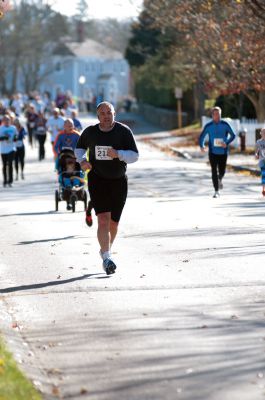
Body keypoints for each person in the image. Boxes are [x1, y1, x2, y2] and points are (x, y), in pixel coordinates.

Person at [75, 101, 139, 275]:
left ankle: (106, 250)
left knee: (114, 223)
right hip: (97, 180)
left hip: (118, 181)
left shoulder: (124, 131)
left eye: (109, 112)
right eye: (102, 113)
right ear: (98, 116)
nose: (106, 116)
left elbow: (135, 155)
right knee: (103, 218)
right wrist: (82, 161)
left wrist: (119, 154)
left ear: (114, 114)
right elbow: (79, 148)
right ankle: (107, 258)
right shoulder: (90, 132)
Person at [199, 106, 236, 198]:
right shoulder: (208, 126)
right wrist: (202, 146)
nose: (217, 116)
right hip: (212, 152)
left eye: (219, 114)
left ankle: (220, 179)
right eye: (215, 114)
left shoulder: (225, 124)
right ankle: (216, 191)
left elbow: (233, 135)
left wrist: (226, 143)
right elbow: (202, 137)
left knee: (222, 171)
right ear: (212, 115)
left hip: (223, 152)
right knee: (213, 171)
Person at [0, 115, 17, 187]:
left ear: (10, 121)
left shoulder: (13, 128)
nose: (7, 121)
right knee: (4, 165)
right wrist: (4, 137)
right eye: (5, 120)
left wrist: (15, 138)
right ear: (3, 121)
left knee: (10, 164)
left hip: (11, 148)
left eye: (8, 120)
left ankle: (10, 180)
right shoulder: (1, 128)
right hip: (3, 149)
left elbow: (16, 136)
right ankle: (5, 180)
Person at [255, 127, 265, 196]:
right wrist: (256, 154)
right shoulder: (258, 142)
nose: (264, 134)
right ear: (261, 133)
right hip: (262, 160)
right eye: (263, 132)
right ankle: (263, 189)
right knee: (263, 175)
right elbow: (256, 150)